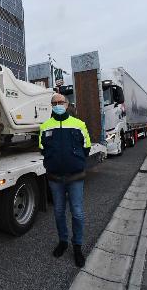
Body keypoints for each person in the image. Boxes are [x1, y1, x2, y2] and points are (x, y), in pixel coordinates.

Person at [39, 93, 91, 267]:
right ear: (51, 105)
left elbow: (87, 147)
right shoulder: (45, 126)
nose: (58, 104)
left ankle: (77, 246)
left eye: (61, 102)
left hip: (75, 177)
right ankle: (63, 241)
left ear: (67, 104)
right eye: (54, 102)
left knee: (77, 212)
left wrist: (74, 162)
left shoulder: (79, 124)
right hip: (55, 178)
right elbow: (42, 148)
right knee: (59, 212)